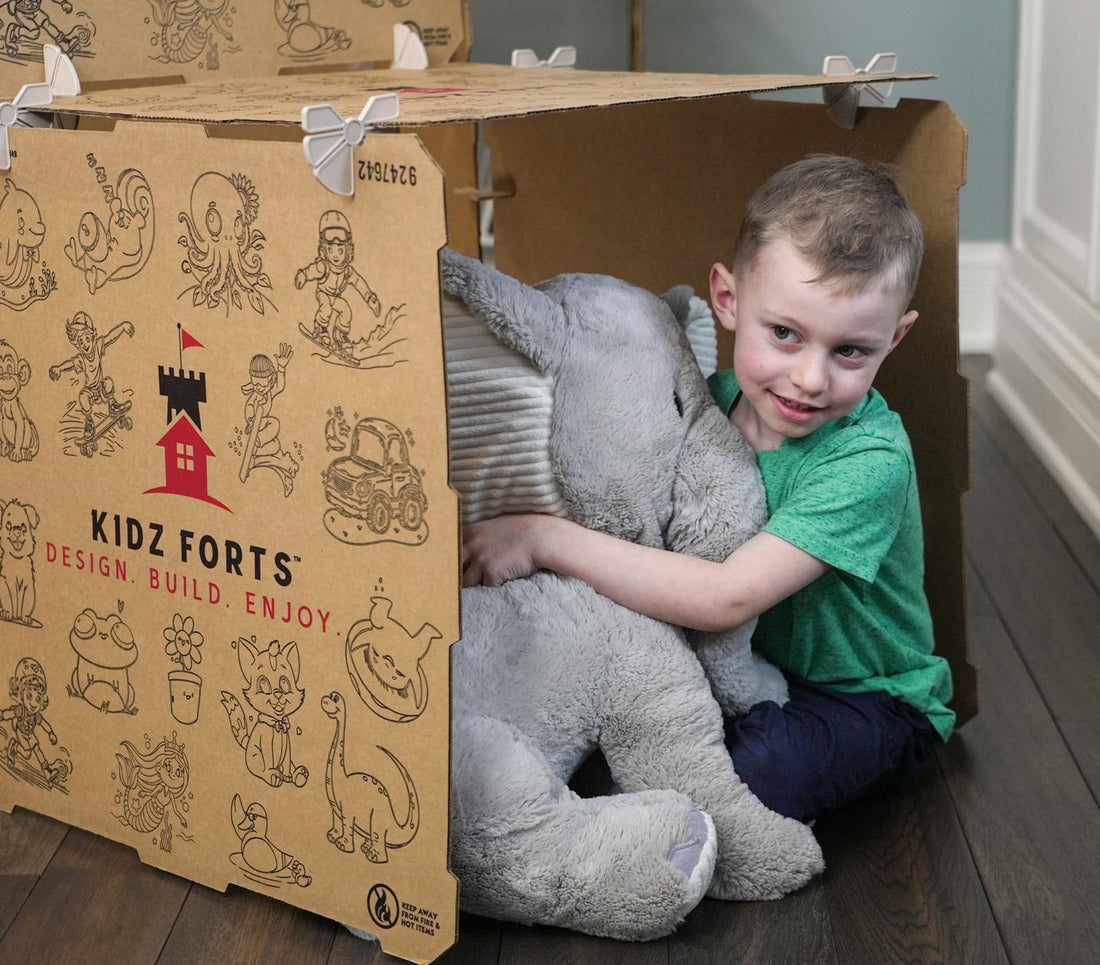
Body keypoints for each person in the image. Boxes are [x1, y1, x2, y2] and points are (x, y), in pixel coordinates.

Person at [461, 154, 954, 822]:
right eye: (784, 334)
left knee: (762, 772)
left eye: (850, 352)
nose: (810, 378)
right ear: (727, 300)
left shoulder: (868, 458)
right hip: (737, 668)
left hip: (862, 693)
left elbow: (727, 595)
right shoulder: (702, 409)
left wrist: (543, 537)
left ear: (893, 338)